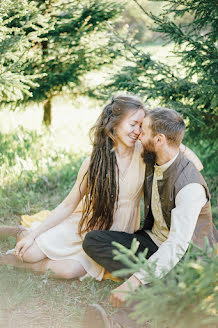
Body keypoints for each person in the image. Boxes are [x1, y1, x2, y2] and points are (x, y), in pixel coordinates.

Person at [0, 98, 203, 280]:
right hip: (86, 224)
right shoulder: (95, 162)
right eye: (133, 124)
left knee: (68, 271)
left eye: (141, 126)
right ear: (114, 124)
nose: (138, 131)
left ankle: (12, 260)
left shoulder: (145, 154)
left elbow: (183, 155)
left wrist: (192, 182)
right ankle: (28, 232)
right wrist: (36, 235)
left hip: (116, 233)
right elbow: (69, 203)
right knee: (29, 253)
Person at [82, 107, 217, 328]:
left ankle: (118, 324)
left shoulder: (190, 187)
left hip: (187, 259)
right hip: (152, 241)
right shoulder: (152, 157)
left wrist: (133, 282)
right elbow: (172, 143)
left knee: (158, 279)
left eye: (143, 131)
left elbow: (177, 246)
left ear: (159, 139)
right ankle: (153, 280)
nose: (138, 135)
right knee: (94, 241)